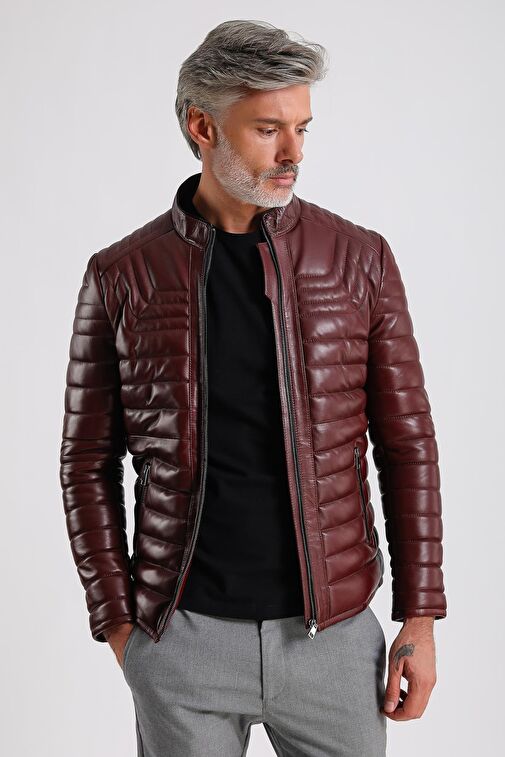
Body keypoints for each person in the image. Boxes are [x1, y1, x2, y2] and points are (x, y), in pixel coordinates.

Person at [59, 19, 447, 757]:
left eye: (302, 127)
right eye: (269, 130)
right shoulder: (122, 275)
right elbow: (86, 460)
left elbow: (408, 443)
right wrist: (120, 627)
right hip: (182, 640)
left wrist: (419, 617)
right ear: (202, 127)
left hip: (334, 640)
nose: (294, 152)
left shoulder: (358, 259)